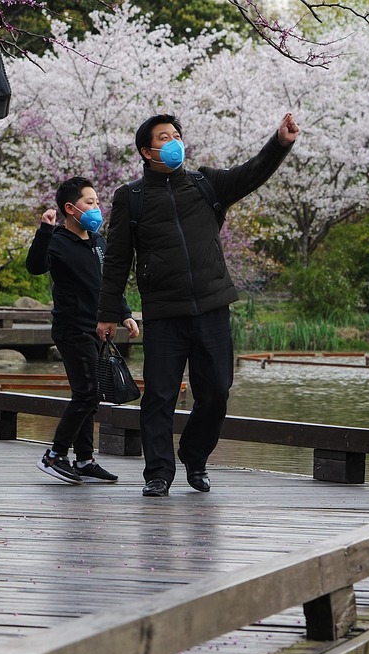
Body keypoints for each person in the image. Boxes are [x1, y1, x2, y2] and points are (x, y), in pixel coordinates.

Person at [97, 113, 299, 497]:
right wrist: (108, 313)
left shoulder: (207, 184)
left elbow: (252, 173)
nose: (174, 141)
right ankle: (158, 472)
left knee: (217, 392)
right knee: (160, 396)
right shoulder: (131, 198)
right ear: (146, 150)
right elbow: (118, 260)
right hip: (165, 313)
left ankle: (195, 454)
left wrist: (280, 143)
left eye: (176, 135)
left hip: (212, 308)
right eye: (163, 137)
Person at [27, 176, 140, 485]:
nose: (96, 207)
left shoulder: (98, 241)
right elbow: (36, 266)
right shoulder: (58, 239)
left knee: (91, 394)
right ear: (70, 208)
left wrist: (125, 314)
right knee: (87, 393)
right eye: (89, 202)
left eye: (97, 202)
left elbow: (109, 283)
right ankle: (54, 455)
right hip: (71, 329)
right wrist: (44, 230)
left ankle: (85, 461)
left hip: (96, 329)